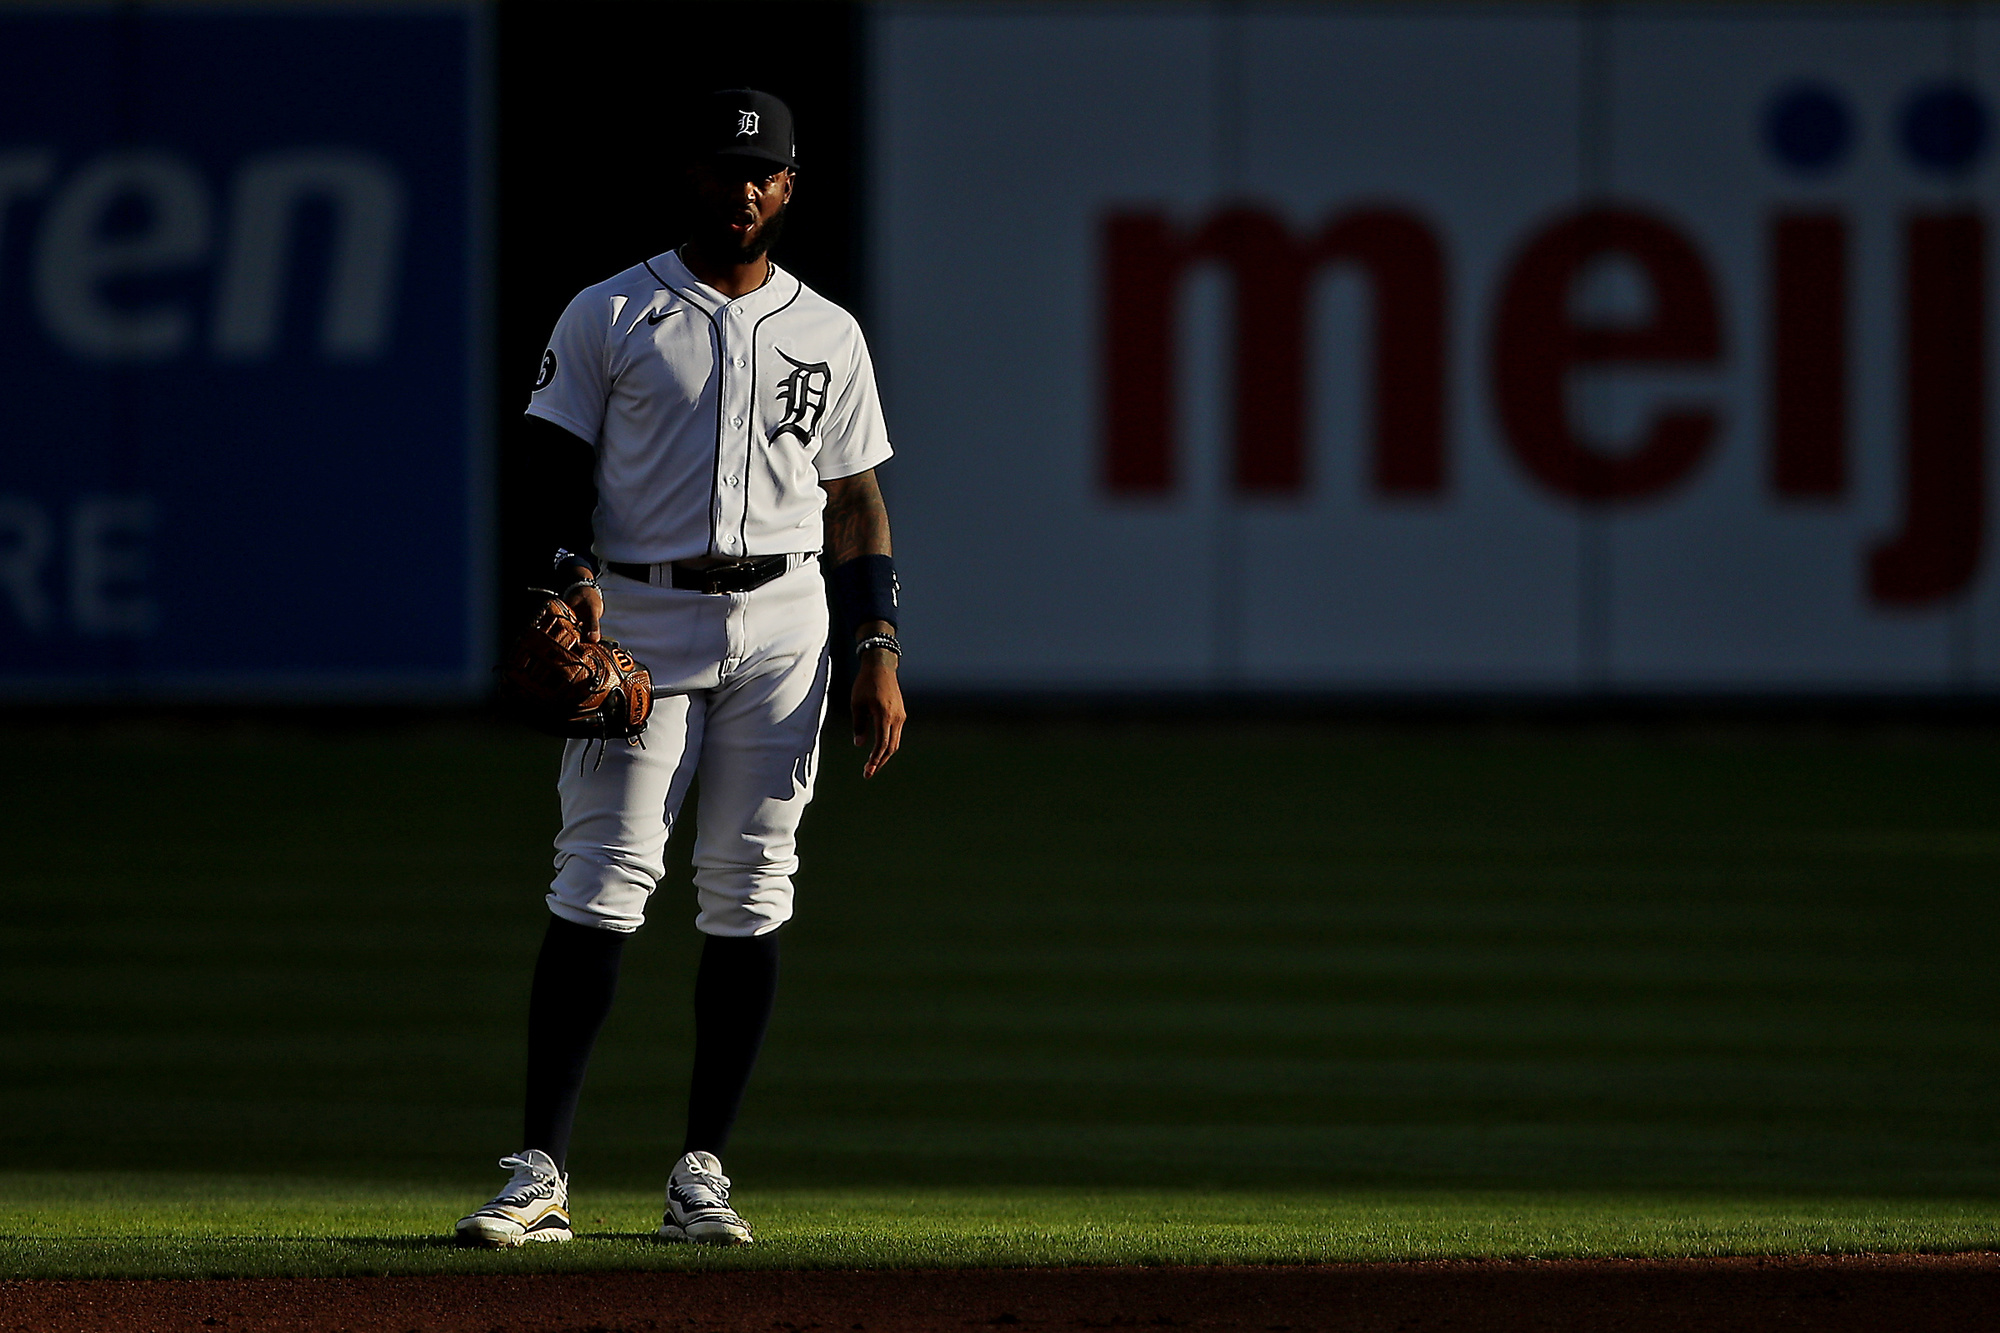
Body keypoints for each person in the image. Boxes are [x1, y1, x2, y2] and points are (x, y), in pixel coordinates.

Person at [455, 88, 904, 1248]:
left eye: (763, 172)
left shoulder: (829, 331)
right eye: (723, 169)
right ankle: (539, 1168)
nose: (742, 188)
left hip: (788, 619)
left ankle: (701, 1171)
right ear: (691, 179)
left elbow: (855, 502)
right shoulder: (611, 310)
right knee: (599, 880)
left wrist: (876, 644)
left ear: (791, 186)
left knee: (751, 887)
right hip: (640, 613)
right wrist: (565, 581)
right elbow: (550, 463)